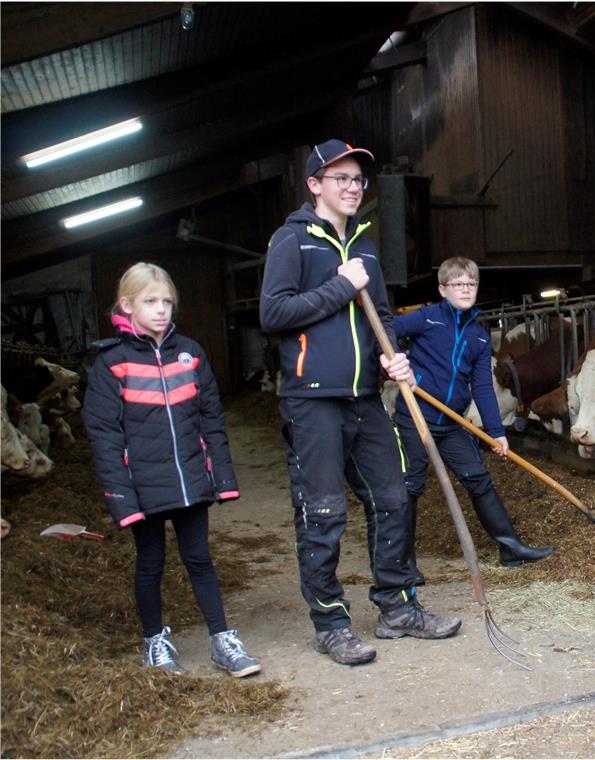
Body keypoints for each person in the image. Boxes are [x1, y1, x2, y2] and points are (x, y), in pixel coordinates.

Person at [260, 139, 461, 667]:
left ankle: (397, 606)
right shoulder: (293, 241)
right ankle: (330, 623)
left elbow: (385, 318)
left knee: (393, 498)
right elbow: (274, 314)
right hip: (313, 401)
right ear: (315, 185)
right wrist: (338, 286)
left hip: (366, 397)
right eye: (340, 179)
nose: (352, 188)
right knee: (323, 512)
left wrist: (393, 357)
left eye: (358, 181)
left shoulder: (367, 249)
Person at [83, 262, 261, 678]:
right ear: (127, 306)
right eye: (150, 301)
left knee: (200, 559)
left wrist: (222, 477)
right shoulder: (113, 363)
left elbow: (211, 419)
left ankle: (222, 639)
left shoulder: (191, 354)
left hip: (190, 479)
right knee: (150, 562)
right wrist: (120, 496)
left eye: (166, 301)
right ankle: (155, 642)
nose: (161, 309)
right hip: (143, 484)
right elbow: (104, 435)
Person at [394, 257, 554, 573]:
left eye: (471, 283)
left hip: (452, 422)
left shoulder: (479, 336)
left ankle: (510, 548)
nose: (466, 289)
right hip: (415, 416)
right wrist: (398, 364)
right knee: (409, 487)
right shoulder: (425, 320)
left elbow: (482, 387)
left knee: (478, 479)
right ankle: (402, 564)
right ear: (442, 289)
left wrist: (497, 431)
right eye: (458, 284)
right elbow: (380, 330)